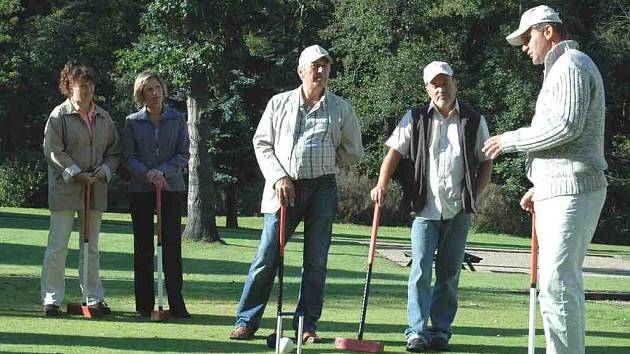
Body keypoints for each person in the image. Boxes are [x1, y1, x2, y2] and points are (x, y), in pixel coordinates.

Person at [482, 5, 607, 354]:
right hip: (560, 189)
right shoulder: (561, 70)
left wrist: (510, 140)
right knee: (558, 284)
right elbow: (567, 138)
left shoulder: (572, 65)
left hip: (575, 189)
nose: (524, 47)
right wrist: (542, 185)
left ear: (548, 31)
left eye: (527, 38)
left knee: (557, 282)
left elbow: (566, 127)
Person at [229, 44, 364, 342]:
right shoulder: (279, 103)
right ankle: (247, 321)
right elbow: (261, 143)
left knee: (316, 261)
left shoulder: (341, 107)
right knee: (266, 256)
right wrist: (278, 177)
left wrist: (329, 161)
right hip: (283, 189)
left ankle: (306, 326)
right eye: (314, 66)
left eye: (325, 65)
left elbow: (354, 151)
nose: (320, 71)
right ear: (300, 70)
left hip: (322, 190)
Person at [370, 61, 493, 352]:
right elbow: (393, 153)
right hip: (424, 209)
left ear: (455, 83)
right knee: (421, 271)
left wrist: (475, 195)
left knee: (449, 274)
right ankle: (416, 332)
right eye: (434, 84)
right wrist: (381, 184)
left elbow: (487, 160)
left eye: (445, 82)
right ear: (427, 89)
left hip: (458, 210)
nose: (441, 88)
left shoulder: (474, 119)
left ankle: (440, 332)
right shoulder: (414, 118)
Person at [41, 62, 120, 316]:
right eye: (80, 85)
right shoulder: (59, 115)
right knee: (58, 245)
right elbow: (53, 150)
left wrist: (104, 171)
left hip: (95, 191)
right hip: (66, 190)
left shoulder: (104, 117)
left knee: (91, 247)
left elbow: (114, 152)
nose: (86, 90)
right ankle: (51, 299)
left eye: (90, 85)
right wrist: (76, 173)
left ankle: (93, 298)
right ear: (69, 87)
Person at [121, 71, 191, 318]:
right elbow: (128, 157)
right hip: (141, 190)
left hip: (171, 188)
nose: (155, 92)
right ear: (141, 94)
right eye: (149, 89)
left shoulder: (178, 118)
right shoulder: (132, 121)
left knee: (172, 246)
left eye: (157, 87)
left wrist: (162, 172)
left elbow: (184, 153)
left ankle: (176, 303)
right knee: (143, 247)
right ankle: (144, 305)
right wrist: (148, 174)